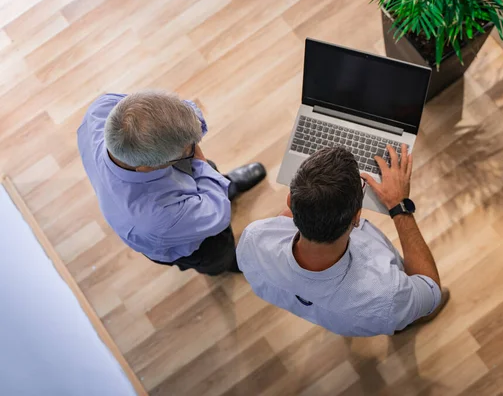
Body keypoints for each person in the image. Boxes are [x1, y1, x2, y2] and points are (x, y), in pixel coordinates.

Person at [237, 145, 449, 336]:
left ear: (290, 202)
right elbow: (431, 291)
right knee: (412, 308)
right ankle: (410, 322)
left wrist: (317, 195)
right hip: (383, 313)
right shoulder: (389, 297)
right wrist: (399, 206)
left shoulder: (254, 238)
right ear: (356, 216)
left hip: (333, 316)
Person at [77, 90, 266, 275]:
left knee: (207, 173)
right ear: (146, 167)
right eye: (189, 150)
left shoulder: (103, 107)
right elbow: (218, 214)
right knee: (218, 257)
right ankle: (229, 263)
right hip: (196, 244)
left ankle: (223, 185)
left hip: (171, 199)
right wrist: (200, 162)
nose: (195, 148)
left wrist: (186, 133)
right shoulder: (159, 218)